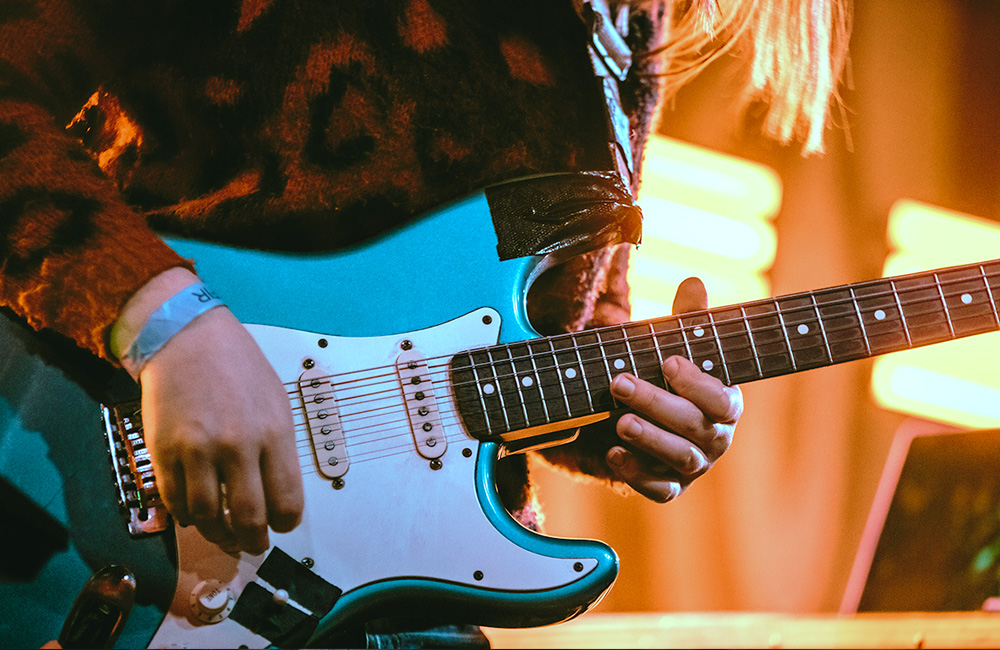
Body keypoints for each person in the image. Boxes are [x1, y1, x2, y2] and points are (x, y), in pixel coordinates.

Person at [0, 0, 848, 646]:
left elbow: (549, 323)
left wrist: (642, 414)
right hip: (84, 510)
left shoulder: (627, 16)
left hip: (399, 603)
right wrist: (166, 322)